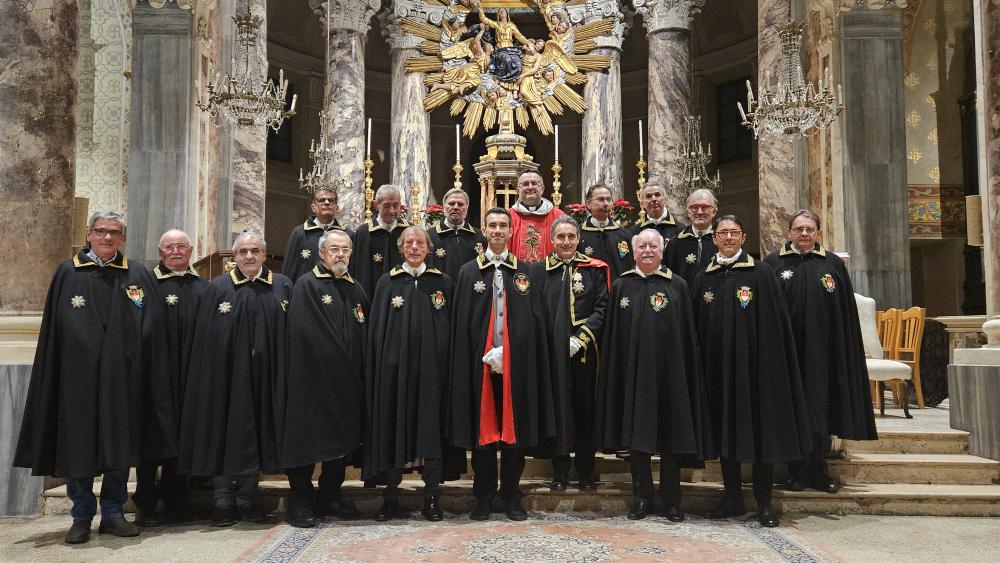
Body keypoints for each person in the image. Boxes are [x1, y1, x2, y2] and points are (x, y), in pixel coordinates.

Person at [14, 211, 173, 544]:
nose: (107, 237)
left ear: (123, 237)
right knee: (79, 446)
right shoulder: (68, 272)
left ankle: (113, 512)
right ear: (89, 234)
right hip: (78, 380)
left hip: (123, 380)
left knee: (119, 444)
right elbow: (56, 330)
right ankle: (82, 514)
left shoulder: (136, 274)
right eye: (101, 231)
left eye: (114, 232)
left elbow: (151, 326)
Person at [691, 215, 811, 528]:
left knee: (760, 435)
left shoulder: (761, 273)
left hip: (757, 372)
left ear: (744, 237)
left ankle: (764, 502)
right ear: (715, 239)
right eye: (723, 233)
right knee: (725, 433)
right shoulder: (704, 277)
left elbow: (775, 324)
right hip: (718, 372)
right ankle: (731, 496)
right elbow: (696, 328)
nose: (729, 238)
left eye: (734, 233)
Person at [180, 231, 293, 527]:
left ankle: (247, 499)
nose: (249, 256)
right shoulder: (217, 287)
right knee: (224, 434)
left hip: (267, 379)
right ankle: (223, 501)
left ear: (264, 254)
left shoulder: (282, 286)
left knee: (257, 435)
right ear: (235, 256)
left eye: (255, 250)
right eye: (243, 251)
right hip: (225, 380)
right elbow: (205, 338)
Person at [594, 229, 708, 522]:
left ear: (662, 250)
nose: (647, 250)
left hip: (670, 376)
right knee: (637, 440)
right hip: (632, 375)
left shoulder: (677, 285)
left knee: (671, 437)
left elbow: (687, 335)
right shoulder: (621, 285)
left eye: (652, 246)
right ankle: (642, 497)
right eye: (642, 246)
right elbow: (614, 338)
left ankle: (671, 501)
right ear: (633, 252)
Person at [448, 208, 554, 521]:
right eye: (492, 225)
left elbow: (533, 321)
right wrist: (481, 353)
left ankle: (511, 495)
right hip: (479, 366)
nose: (497, 230)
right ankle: (482, 497)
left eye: (502, 225)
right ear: (483, 230)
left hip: (516, 366)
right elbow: (462, 323)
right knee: (482, 435)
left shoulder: (525, 271)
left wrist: (511, 351)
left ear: (511, 231)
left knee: (513, 434)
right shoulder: (468, 271)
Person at [764, 210, 878, 493]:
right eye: (799, 229)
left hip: (823, 354)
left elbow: (845, 313)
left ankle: (819, 470)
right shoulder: (773, 263)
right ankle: (795, 471)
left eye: (809, 229)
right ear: (789, 232)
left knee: (820, 409)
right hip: (786, 354)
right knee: (792, 410)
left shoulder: (832, 264)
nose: (804, 234)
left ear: (819, 234)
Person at [282, 229, 369, 528]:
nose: (340, 254)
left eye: (345, 249)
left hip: (347, 385)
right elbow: (306, 333)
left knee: (341, 443)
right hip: (313, 383)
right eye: (334, 249)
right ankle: (300, 501)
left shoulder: (356, 288)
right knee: (307, 442)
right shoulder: (307, 285)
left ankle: (329, 497)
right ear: (321, 253)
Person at [365, 226, 452, 522]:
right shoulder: (387, 282)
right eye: (409, 243)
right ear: (401, 248)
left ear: (429, 248)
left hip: (432, 373)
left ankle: (432, 497)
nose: (414, 247)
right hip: (395, 374)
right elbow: (377, 331)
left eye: (420, 243)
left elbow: (449, 329)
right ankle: (391, 497)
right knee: (394, 428)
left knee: (431, 430)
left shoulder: (442, 282)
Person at [134, 229, 208, 527]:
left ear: (190, 251)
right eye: (169, 247)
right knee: (152, 438)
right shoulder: (145, 283)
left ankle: (176, 499)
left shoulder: (203, 287)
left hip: (190, 374)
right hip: (155, 376)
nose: (175, 251)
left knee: (182, 436)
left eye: (181, 246)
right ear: (160, 251)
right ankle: (145, 502)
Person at [533, 216, 609, 493]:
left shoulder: (594, 269)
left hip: (584, 353)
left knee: (584, 410)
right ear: (552, 239)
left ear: (579, 239)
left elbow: (602, 307)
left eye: (571, 236)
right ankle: (560, 470)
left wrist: (581, 338)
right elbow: (534, 311)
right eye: (560, 237)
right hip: (551, 354)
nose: (566, 242)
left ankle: (586, 471)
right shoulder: (538, 271)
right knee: (558, 410)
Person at [350, 184, 410, 296]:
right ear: (376, 205)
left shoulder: (409, 231)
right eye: (386, 206)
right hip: (371, 295)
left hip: (404, 294)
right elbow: (357, 269)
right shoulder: (364, 232)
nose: (392, 211)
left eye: (396, 205)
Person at [282, 187, 352, 282]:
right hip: (305, 289)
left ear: (337, 208)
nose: (327, 203)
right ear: (313, 207)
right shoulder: (300, 233)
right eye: (322, 200)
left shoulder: (347, 235)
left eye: (331, 200)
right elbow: (289, 267)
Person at [429, 188, 486, 281]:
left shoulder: (480, 237)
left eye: (460, 204)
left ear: (467, 208)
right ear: (444, 207)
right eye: (451, 203)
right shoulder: (429, 236)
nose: (456, 207)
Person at [578, 184, 634, 279]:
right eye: (601, 199)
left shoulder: (624, 235)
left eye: (609, 199)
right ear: (588, 204)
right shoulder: (578, 235)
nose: (606, 204)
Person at [508, 170, 566, 262]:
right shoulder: (508, 216)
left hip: (551, 269)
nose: (530, 187)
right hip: (516, 269)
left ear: (542, 188)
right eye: (525, 184)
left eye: (534, 183)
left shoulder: (558, 216)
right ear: (518, 190)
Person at [665, 189, 719, 286]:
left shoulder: (722, 240)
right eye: (694, 207)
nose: (699, 212)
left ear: (714, 211)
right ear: (688, 212)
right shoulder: (675, 244)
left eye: (705, 207)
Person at [629, 182, 684, 255]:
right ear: (642, 204)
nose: (653, 199)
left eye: (657, 195)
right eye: (648, 196)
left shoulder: (682, 231)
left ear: (665, 199)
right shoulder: (633, 233)